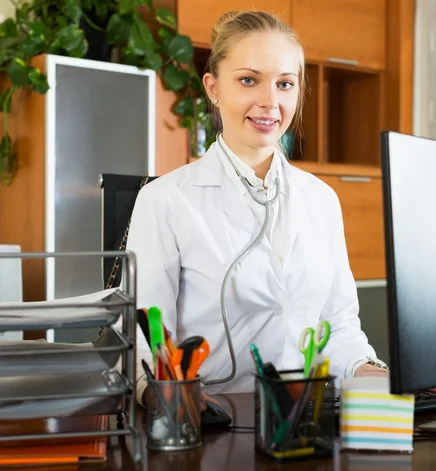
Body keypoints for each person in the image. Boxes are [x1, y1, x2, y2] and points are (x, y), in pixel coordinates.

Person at [126, 10, 388, 407]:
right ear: (213, 87)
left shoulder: (321, 200)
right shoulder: (165, 200)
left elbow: (337, 326)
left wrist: (367, 369)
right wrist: (166, 399)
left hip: (303, 418)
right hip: (211, 423)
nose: (270, 102)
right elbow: (145, 344)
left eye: (285, 84)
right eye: (249, 80)